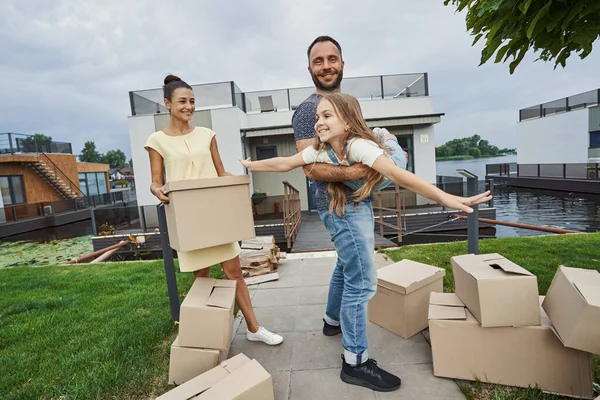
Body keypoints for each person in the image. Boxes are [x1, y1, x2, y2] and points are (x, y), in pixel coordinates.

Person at [240, 92, 492, 392]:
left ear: (347, 120)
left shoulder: (359, 145)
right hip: (350, 208)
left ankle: (335, 325)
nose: (318, 122)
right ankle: (355, 362)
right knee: (361, 282)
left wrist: (444, 197)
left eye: (327, 116)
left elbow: (401, 175)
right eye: (318, 116)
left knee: (393, 158)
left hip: (373, 165)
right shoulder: (320, 151)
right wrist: (251, 166)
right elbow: (285, 163)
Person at [145, 74, 283, 346]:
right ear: (167, 104)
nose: (189, 106)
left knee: (235, 273)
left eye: (192, 101)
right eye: (182, 101)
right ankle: (210, 334)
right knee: (203, 276)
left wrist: (240, 182)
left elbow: (221, 172)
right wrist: (155, 190)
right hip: (188, 218)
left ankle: (254, 328)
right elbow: (155, 180)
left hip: (215, 215)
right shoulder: (156, 140)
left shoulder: (207, 135)